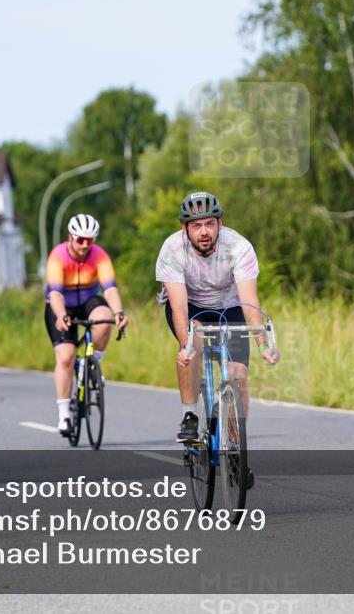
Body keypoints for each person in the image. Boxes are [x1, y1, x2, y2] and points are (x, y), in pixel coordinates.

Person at [155, 192, 280, 486]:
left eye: (209, 224)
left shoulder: (238, 247)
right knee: (194, 342)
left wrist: (263, 344)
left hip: (230, 306)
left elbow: (249, 302)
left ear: (219, 224)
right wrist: (186, 345)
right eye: (196, 226)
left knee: (238, 375)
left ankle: (235, 449)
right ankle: (190, 416)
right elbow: (178, 307)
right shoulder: (172, 249)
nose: (204, 232)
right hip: (191, 307)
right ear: (185, 229)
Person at [45, 214, 128, 436]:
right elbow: (55, 294)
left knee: (104, 319)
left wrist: (118, 313)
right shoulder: (57, 256)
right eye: (80, 240)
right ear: (70, 237)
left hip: (88, 301)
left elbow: (110, 288)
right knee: (66, 357)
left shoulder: (99, 255)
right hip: (62, 304)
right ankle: (64, 414)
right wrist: (61, 315)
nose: (84, 245)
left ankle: (91, 365)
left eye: (89, 240)